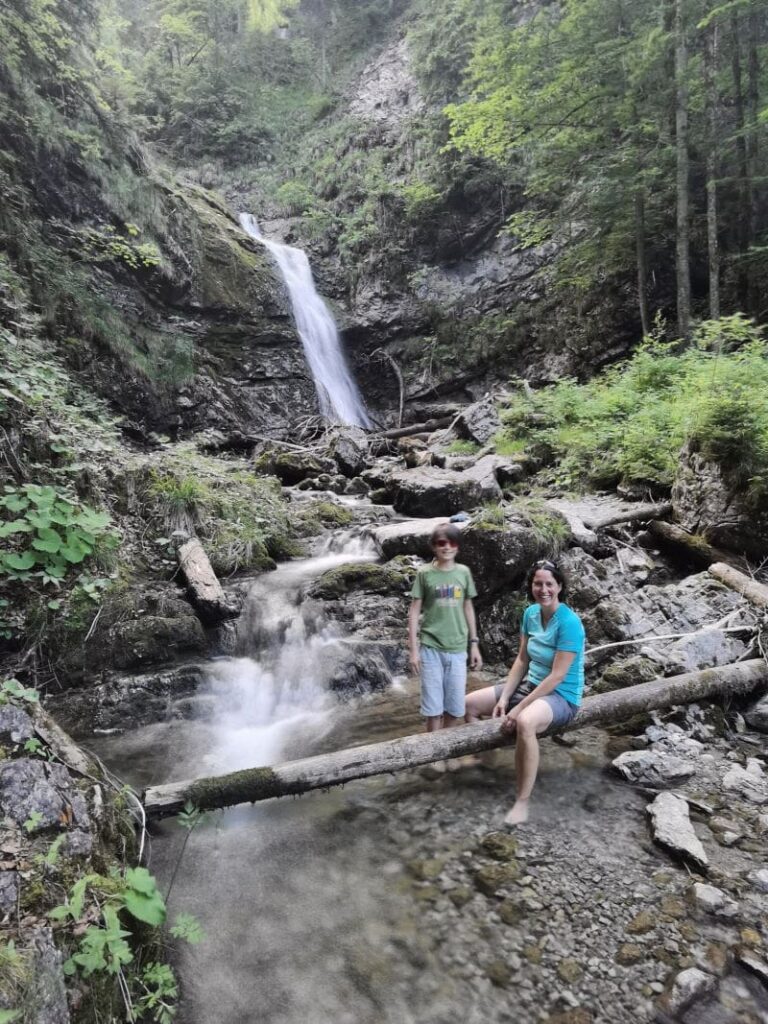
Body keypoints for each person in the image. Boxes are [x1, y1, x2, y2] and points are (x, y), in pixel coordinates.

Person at [465, 559, 585, 825]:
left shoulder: (570, 623)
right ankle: (487, 764)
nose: (543, 589)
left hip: (561, 696)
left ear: (560, 586)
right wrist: (506, 697)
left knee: (525, 722)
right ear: (531, 585)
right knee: (468, 705)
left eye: (549, 584)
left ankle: (522, 801)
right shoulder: (530, 614)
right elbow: (521, 660)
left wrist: (518, 708)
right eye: (538, 583)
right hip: (531, 686)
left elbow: (557, 676)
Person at [408, 524, 483, 741]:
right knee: (433, 709)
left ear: (458, 546)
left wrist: (474, 643)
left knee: (455, 708)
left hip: (458, 648)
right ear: (434, 546)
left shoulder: (464, 572)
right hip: (431, 647)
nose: (447, 547)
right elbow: (414, 612)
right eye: (442, 542)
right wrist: (413, 651)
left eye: (452, 542)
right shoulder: (424, 574)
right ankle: (434, 752)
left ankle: (445, 746)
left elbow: (468, 607)